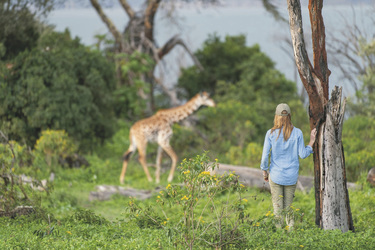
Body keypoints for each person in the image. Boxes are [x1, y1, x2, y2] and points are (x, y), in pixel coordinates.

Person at [260, 103, 317, 230]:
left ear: (276, 116)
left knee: (278, 209)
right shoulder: (297, 133)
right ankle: (291, 234)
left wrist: (265, 172)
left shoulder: (270, 133)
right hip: (291, 177)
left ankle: (280, 239)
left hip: (275, 176)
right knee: (288, 207)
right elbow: (302, 154)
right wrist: (311, 141)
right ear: (290, 116)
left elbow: (265, 157)